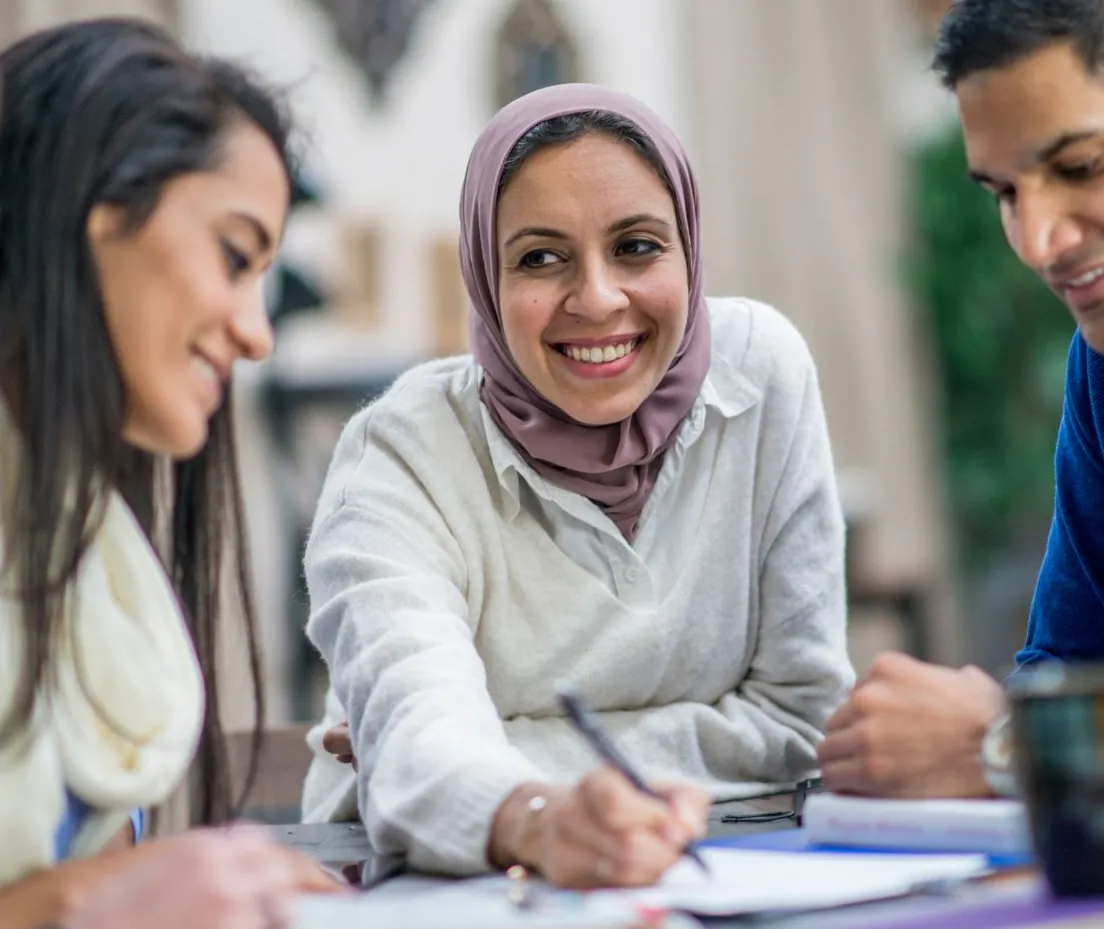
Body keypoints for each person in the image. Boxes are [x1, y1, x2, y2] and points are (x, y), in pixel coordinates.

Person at [300, 83, 855, 887]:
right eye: (539, 257)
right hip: (442, 887)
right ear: (485, 280)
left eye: (637, 246)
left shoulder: (762, 373)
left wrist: (500, 748)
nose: (597, 298)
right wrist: (532, 814)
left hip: (725, 865)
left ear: (689, 250)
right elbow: (418, 751)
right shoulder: (399, 454)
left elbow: (800, 718)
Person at [818, 0, 1104, 799]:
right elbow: (1078, 666)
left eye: (1080, 167)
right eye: (1005, 191)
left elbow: (1038, 728)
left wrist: (1008, 746)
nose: (1038, 242)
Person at [0, 18, 337, 928]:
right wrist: (94, 901)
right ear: (97, 206)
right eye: (234, 257)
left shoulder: (85, 545)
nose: (257, 332)